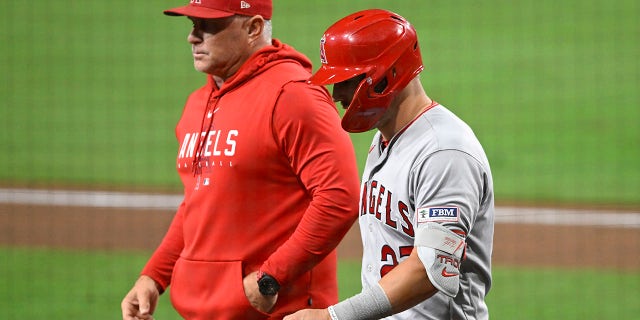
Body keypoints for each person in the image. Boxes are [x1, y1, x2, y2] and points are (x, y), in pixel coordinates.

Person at [120, 1, 361, 319]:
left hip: (279, 313)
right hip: (202, 311)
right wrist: (154, 276)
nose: (193, 37)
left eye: (208, 26)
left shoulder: (293, 96)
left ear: (254, 28)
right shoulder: (197, 104)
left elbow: (339, 197)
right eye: (193, 24)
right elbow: (199, 203)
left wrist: (272, 276)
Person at [284, 9, 495, 320]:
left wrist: (334, 317)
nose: (337, 94)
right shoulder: (386, 137)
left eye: (348, 81)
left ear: (388, 74)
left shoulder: (443, 151)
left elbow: (430, 268)